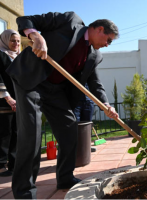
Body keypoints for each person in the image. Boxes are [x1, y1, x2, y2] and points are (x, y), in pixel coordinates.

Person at [6, 12, 119, 199]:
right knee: (32, 134)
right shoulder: (70, 21)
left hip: (55, 90)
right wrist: (36, 36)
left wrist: (106, 104)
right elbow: (25, 20)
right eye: (108, 40)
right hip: (31, 80)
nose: (107, 45)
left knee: (69, 128)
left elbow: (95, 83)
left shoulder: (95, 55)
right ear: (100, 29)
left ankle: (65, 178)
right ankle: (24, 191)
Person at [0, 29, 20, 176]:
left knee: (17, 133)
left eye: (18, 41)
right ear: (5, 40)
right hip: (4, 100)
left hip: (19, 101)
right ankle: (1, 165)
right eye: (13, 40)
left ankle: (13, 164)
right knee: (4, 133)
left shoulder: (18, 57)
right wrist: (8, 98)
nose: (16, 43)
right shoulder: (0, 54)